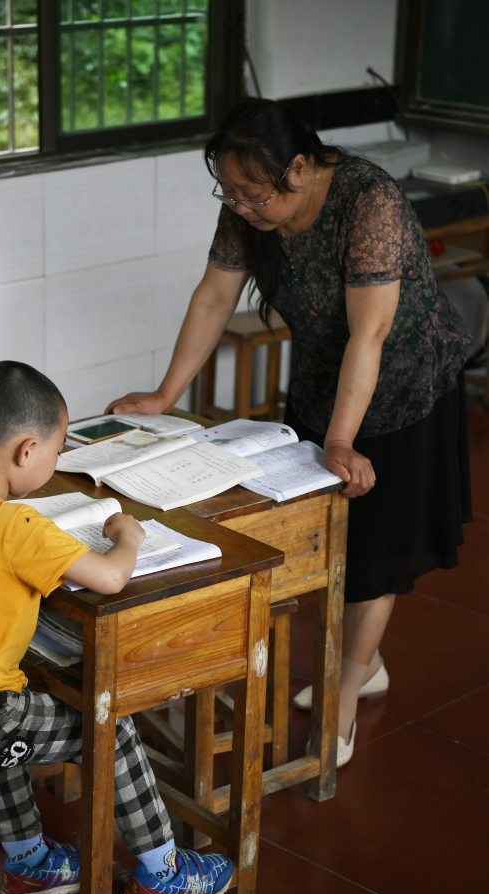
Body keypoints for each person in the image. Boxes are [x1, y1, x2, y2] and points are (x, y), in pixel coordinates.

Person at [106, 98, 473, 766]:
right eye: (230, 192)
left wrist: (340, 441)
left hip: (404, 384)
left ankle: (345, 694)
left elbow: (370, 334)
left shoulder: (369, 202)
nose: (242, 206)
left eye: (254, 194)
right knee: (315, 538)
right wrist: (164, 395)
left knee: (373, 552)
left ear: (300, 168)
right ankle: (365, 663)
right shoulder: (250, 206)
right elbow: (214, 297)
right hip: (322, 382)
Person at [0, 360, 233, 894]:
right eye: (56, 448)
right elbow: (111, 577)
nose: (54, 461)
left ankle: (31, 864)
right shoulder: (15, 528)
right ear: (26, 451)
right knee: (111, 728)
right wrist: (127, 535)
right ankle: (163, 876)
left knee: (16, 714)